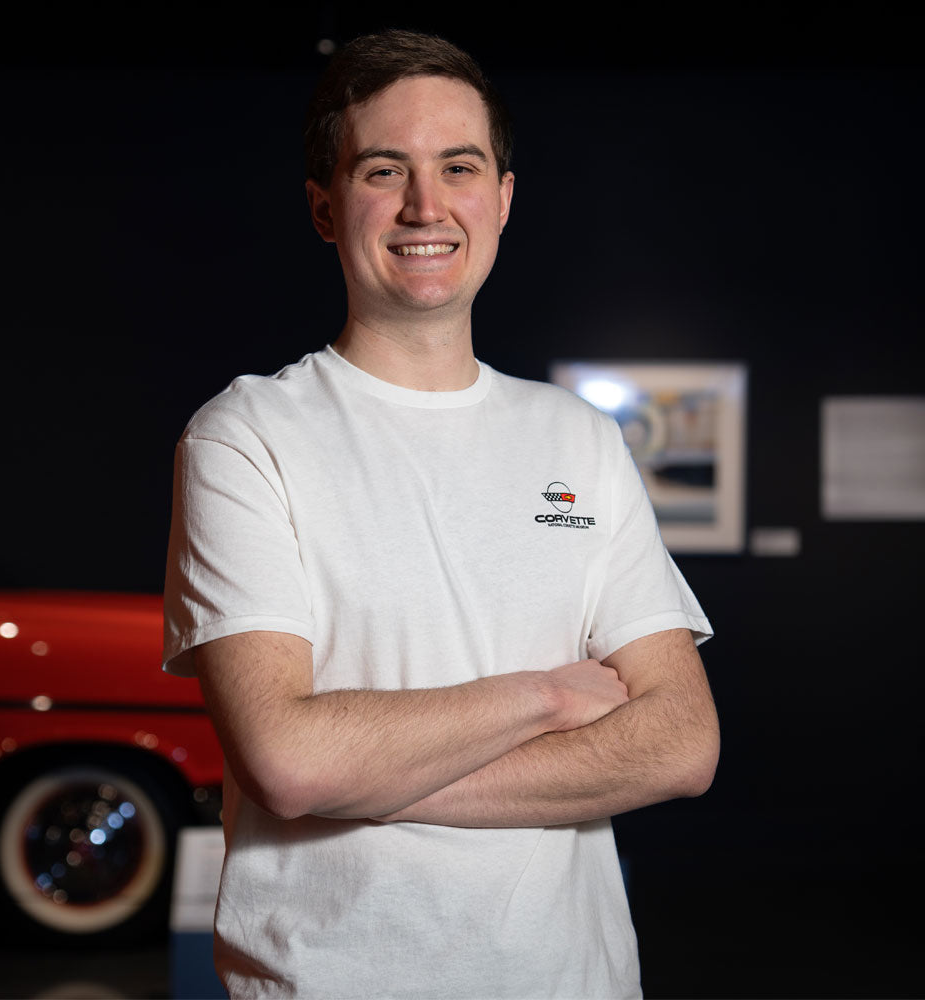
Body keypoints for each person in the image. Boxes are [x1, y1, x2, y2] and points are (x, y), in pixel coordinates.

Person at [163, 29, 719, 1000]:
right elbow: (286, 762)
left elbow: (680, 741)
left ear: (501, 198)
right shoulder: (245, 436)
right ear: (324, 208)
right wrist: (545, 698)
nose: (427, 205)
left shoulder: (576, 440)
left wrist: (370, 776)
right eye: (386, 169)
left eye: (458, 166)